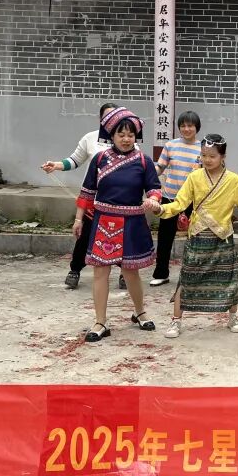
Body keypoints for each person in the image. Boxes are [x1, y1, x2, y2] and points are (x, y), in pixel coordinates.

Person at [154, 134, 238, 338]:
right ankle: (176, 320)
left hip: (222, 237)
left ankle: (233, 317)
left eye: (212, 156)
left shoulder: (234, 181)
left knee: (228, 279)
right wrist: (161, 209)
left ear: (223, 156)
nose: (207, 160)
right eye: (203, 155)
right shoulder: (194, 177)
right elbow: (180, 203)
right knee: (186, 279)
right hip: (198, 235)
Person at [74, 107, 163, 342]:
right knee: (100, 271)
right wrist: (78, 219)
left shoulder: (143, 161)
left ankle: (140, 312)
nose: (126, 139)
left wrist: (154, 200)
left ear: (136, 137)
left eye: (130, 135)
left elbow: (154, 188)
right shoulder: (99, 159)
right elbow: (87, 191)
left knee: (131, 271)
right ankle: (100, 322)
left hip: (132, 222)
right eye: (121, 134)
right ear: (111, 135)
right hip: (104, 222)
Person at [41, 101, 127, 291]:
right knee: (85, 235)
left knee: (121, 237)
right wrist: (56, 165)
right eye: (106, 116)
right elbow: (74, 160)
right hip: (93, 198)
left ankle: (125, 272)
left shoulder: (127, 140)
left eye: (114, 116)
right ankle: (75, 270)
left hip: (119, 201)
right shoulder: (90, 138)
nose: (110, 120)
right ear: (100, 118)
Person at [150, 110, 201, 287]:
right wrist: (148, 175)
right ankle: (161, 273)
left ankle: (194, 275)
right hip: (170, 198)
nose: (186, 129)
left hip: (194, 200)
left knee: (196, 238)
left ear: (197, 127)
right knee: (165, 237)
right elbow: (160, 167)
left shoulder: (203, 148)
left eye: (190, 126)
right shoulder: (170, 145)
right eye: (183, 126)